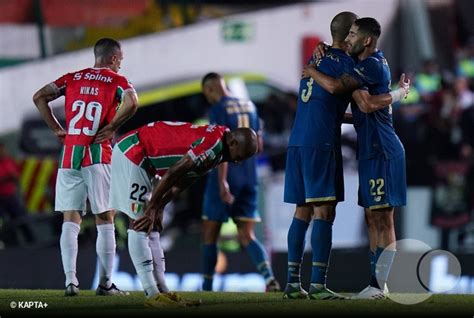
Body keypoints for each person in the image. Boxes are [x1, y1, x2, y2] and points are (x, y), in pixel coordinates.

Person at [302, 17, 410, 300]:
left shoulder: (371, 65)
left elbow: (364, 102)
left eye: (352, 35)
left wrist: (399, 93)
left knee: (383, 219)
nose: (346, 39)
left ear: (366, 41)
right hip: (370, 150)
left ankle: (380, 287)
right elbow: (362, 112)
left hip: (383, 151)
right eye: (347, 34)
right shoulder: (365, 64)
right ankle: (375, 284)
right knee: (373, 218)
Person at [108, 120, 258, 307]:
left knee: (152, 227)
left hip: (147, 160)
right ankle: (151, 294)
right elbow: (174, 171)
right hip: (134, 152)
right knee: (139, 222)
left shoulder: (219, 150)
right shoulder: (213, 146)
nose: (237, 161)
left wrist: (160, 206)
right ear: (234, 143)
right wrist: (153, 207)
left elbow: (181, 182)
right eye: (240, 156)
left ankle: (163, 291)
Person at [32, 38, 138, 296]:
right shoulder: (117, 82)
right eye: (120, 60)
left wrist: (57, 128)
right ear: (113, 58)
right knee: (105, 217)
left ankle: (70, 281)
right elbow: (133, 102)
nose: (121, 65)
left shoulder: (73, 77)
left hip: (69, 153)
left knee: (71, 218)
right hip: (97, 154)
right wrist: (111, 127)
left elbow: (39, 97)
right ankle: (105, 284)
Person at [283, 11, 359, 300]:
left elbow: (328, 105)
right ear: (350, 33)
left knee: (302, 210)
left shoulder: (316, 59)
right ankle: (317, 285)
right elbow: (345, 96)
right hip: (321, 143)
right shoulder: (347, 64)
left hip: (298, 141)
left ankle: (292, 284)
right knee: (324, 211)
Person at [200, 72, 280, 292]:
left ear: (209, 89)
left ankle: (207, 287)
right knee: (247, 234)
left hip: (224, 178)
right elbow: (259, 145)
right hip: (249, 177)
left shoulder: (218, 109)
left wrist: (223, 182)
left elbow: (222, 148)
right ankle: (269, 278)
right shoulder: (249, 105)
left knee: (210, 234)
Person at [0, 142, 35, 246]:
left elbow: (16, 175)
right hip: (0, 198)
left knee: (20, 218)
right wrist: (7, 178)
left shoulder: (9, 161)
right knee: (6, 223)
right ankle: (12, 245)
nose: (2, 152)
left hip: (11, 196)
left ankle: (31, 242)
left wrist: (12, 178)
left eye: (3, 149)